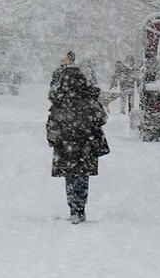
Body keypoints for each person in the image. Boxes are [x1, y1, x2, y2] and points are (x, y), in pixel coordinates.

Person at [46, 55, 107, 224]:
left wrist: (53, 139)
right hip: (85, 143)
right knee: (82, 176)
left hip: (65, 145)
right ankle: (80, 208)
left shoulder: (59, 101)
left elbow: (52, 123)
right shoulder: (89, 100)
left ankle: (73, 207)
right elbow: (102, 118)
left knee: (70, 176)